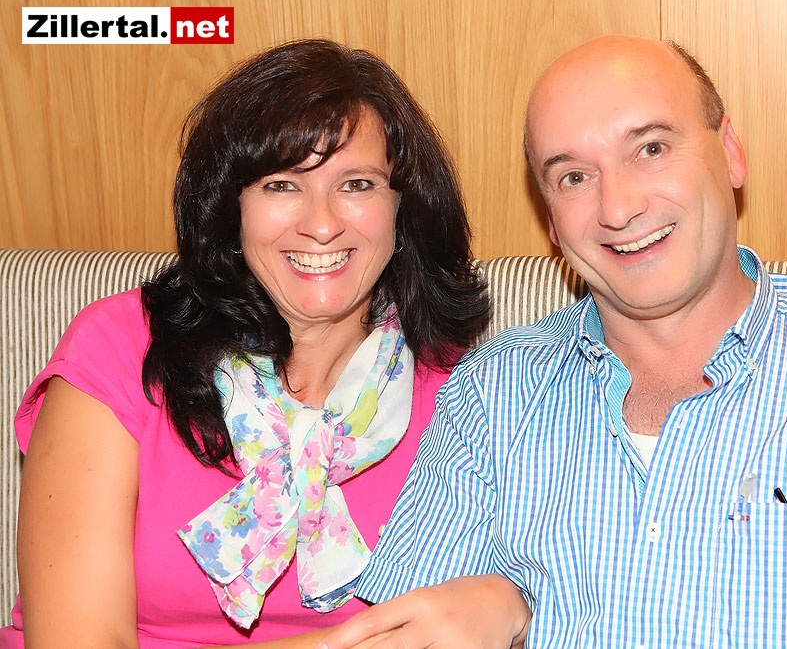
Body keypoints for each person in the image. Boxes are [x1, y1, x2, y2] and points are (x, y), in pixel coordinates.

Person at [320, 35, 787, 648]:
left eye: (651, 149)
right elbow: (402, 633)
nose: (618, 208)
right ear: (551, 219)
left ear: (730, 152)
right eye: (573, 177)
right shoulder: (491, 391)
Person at [1, 39, 529, 648]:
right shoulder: (120, 349)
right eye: (281, 186)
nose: (322, 224)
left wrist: (513, 603)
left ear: (402, 211)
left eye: (357, 184)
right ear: (231, 210)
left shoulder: (471, 395)